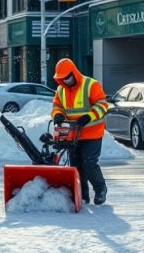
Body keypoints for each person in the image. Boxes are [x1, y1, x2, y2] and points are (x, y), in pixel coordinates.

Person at [51, 58, 110, 205]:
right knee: (76, 165)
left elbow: (103, 105)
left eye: (67, 77)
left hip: (92, 132)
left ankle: (100, 189)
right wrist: (58, 115)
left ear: (74, 72)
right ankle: (82, 195)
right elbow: (57, 106)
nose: (66, 80)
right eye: (62, 78)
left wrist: (88, 116)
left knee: (89, 163)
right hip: (73, 135)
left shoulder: (90, 85)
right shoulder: (61, 90)